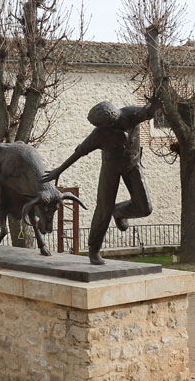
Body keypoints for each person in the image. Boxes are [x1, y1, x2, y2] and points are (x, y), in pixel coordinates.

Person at [42, 98, 159, 265]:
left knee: (145, 207)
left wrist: (156, 102)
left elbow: (148, 112)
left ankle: (119, 212)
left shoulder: (131, 114)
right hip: (110, 168)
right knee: (104, 209)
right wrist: (58, 170)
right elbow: (79, 152)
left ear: (111, 121)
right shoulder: (99, 134)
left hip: (133, 165)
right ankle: (94, 249)